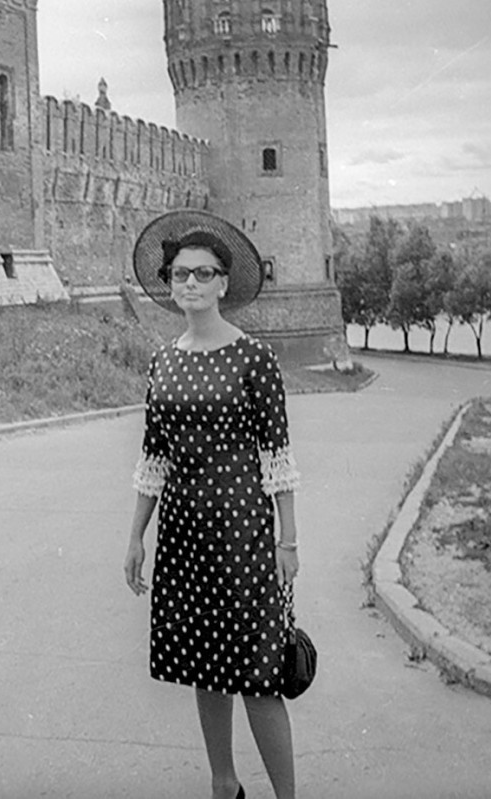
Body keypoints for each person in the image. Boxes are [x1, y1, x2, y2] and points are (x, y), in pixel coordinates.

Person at [124, 212, 301, 799]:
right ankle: (224, 785)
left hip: (242, 534)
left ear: (224, 283)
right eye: (181, 274)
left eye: (203, 273)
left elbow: (277, 456)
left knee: (258, 673)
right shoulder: (163, 361)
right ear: (170, 283)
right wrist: (135, 537)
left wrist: (288, 540)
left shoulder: (254, 359)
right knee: (205, 663)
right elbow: (154, 457)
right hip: (183, 533)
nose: (191, 283)